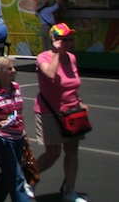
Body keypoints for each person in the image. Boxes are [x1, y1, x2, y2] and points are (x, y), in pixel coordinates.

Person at [33, 23, 88, 202]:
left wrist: (80, 102)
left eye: (70, 40)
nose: (69, 43)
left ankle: (69, 192)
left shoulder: (72, 58)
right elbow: (50, 76)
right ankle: (28, 179)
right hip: (50, 112)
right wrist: (56, 54)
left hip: (72, 111)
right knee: (53, 153)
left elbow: (72, 85)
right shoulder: (44, 57)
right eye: (65, 40)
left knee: (72, 151)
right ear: (55, 41)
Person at [0, 56, 33, 202]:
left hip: (18, 137)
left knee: (7, 173)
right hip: (1, 138)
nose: (13, 71)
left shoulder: (16, 87)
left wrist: (25, 135)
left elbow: (19, 114)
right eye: (9, 68)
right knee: (16, 178)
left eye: (13, 68)